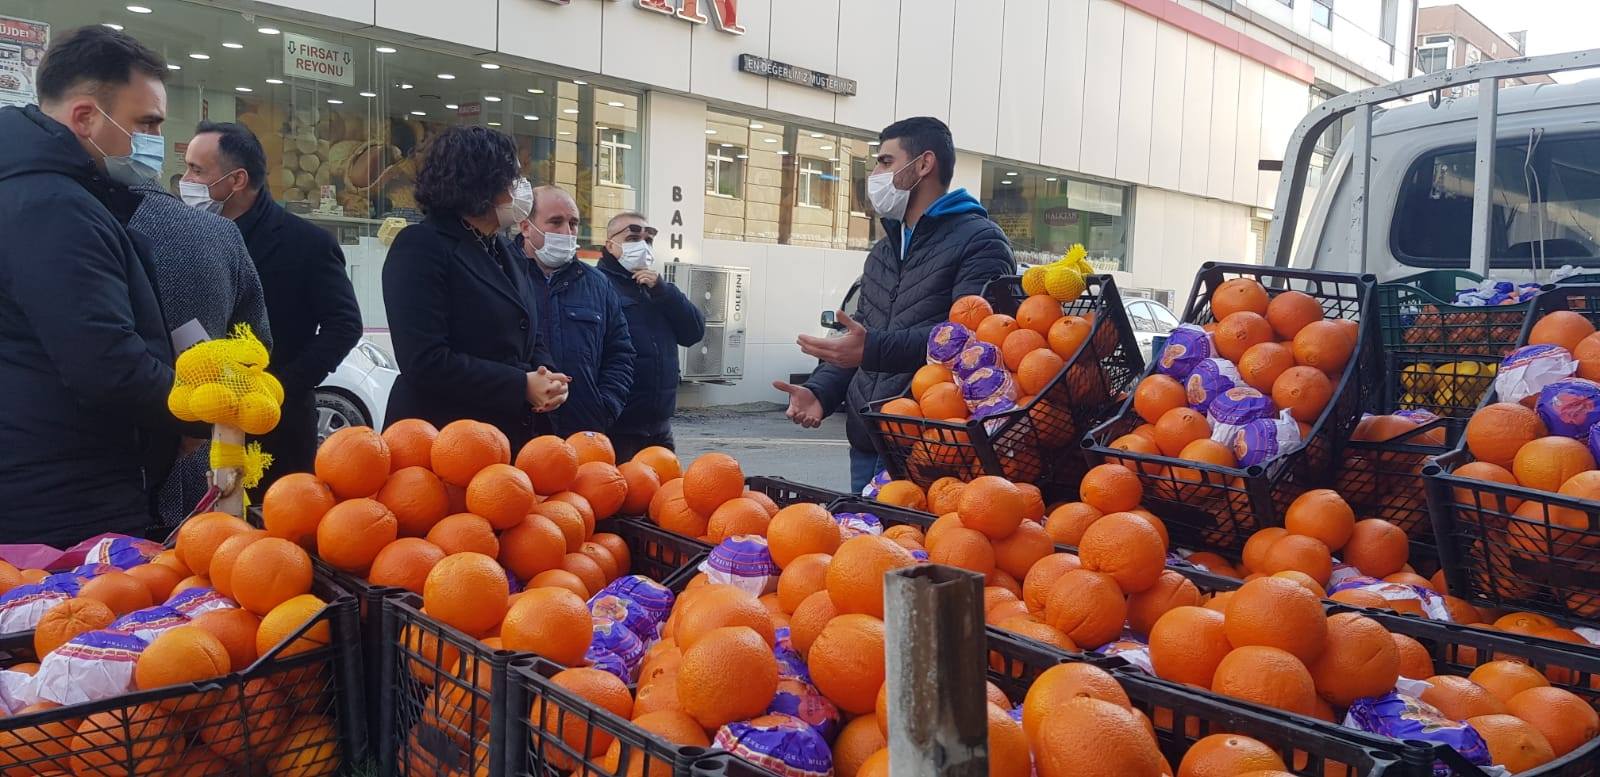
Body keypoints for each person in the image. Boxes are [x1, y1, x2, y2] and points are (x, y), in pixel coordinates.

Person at [0, 26, 184, 544]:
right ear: (85, 117)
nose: (155, 142)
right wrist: (201, 411)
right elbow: (106, 365)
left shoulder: (32, 188)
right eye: (145, 123)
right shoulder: (52, 207)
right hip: (63, 501)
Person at [774, 117, 1014, 493]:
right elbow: (862, 334)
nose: (876, 174)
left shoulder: (980, 241)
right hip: (869, 438)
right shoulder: (884, 249)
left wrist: (871, 349)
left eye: (885, 162)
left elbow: (971, 342)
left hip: (931, 444)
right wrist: (820, 391)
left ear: (923, 164)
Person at [182, 121, 363, 491]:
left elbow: (343, 325)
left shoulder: (306, 244)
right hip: (194, 423)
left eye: (197, 170)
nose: (185, 179)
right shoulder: (185, 235)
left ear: (237, 180)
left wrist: (280, 387)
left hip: (275, 429)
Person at [383, 126, 570, 449]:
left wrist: (547, 376)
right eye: (512, 177)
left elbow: (526, 330)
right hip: (442, 440)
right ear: (481, 182)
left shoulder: (498, 246)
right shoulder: (421, 246)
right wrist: (519, 384)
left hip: (506, 436)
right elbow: (424, 360)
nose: (521, 187)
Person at [128, 181, 272, 526]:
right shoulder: (218, 233)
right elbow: (255, 346)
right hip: (204, 456)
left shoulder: (76, 220)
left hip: (100, 468)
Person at [513, 186, 635, 438]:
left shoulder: (598, 284)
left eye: (573, 223)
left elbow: (620, 352)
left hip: (583, 433)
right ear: (525, 227)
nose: (567, 232)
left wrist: (606, 406)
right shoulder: (503, 276)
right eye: (556, 222)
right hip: (516, 432)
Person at [595, 212, 706, 463]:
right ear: (611, 245)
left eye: (648, 240)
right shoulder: (597, 285)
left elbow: (694, 332)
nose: (642, 246)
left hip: (659, 426)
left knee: (666, 498)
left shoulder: (658, 288)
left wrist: (662, 290)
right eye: (633, 237)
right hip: (618, 427)